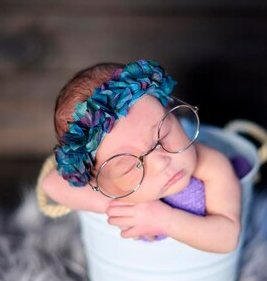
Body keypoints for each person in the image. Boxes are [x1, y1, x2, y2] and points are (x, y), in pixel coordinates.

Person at [39, 60, 241, 253]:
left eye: (163, 135)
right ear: (97, 180)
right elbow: (51, 184)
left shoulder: (211, 164)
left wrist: (166, 220)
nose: (161, 162)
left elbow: (227, 237)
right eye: (131, 165)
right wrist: (117, 206)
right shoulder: (109, 186)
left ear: (169, 111)